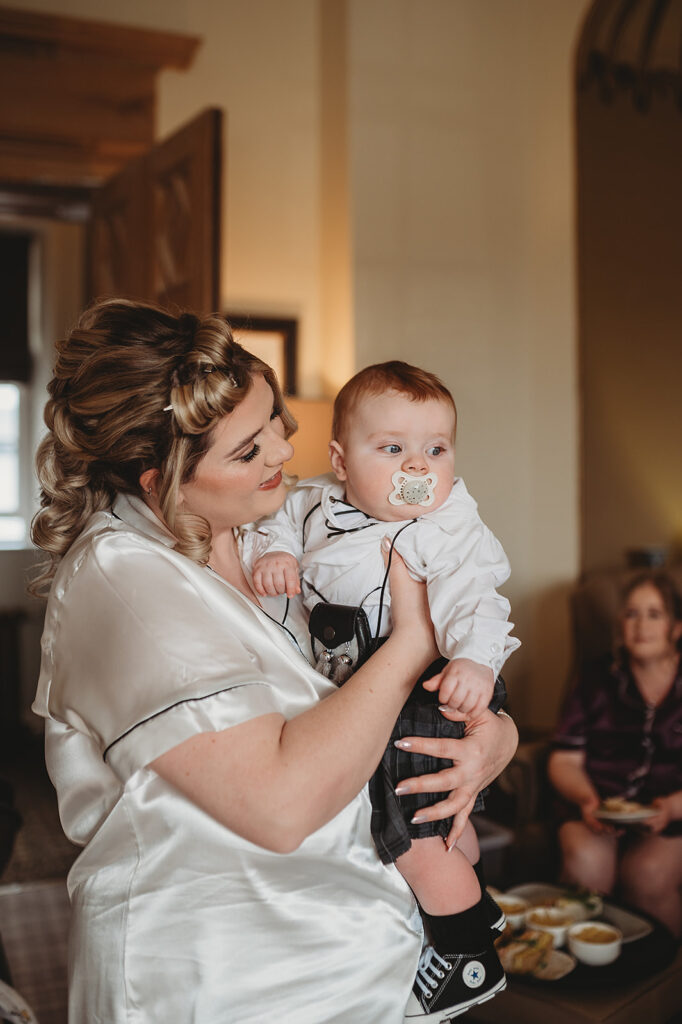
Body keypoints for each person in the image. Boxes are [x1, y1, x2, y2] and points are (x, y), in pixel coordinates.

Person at [30, 300, 519, 1024]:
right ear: (153, 476)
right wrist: (415, 639)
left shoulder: (275, 528)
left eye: (275, 424)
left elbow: (353, 697)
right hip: (223, 982)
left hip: (359, 958)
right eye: (247, 450)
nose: (285, 456)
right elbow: (283, 806)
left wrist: (493, 740)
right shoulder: (121, 582)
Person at [244, 361, 520, 1015]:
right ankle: (477, 903)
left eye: (436, 449)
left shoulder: (447, 524)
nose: (417, 467)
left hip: (435, 687)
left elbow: (478, 599)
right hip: (369, 692)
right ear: (340, 460)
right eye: (392, 449)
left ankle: (467, 956)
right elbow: (278, 520)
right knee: (446, 820)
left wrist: (476, 665)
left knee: (415, 832)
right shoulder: (311, 502)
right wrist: (274, 554)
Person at [548, 571, 682, 938]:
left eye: (654, 614)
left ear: (676, 627)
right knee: (588, 864)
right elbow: (565, 760)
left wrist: (669, 808)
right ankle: (583, 977)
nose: (640, 625)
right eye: (631, 614)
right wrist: (587, 799)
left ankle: (662, 979)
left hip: (672, 813)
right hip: (595, 808)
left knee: (648, 874)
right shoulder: (594, 679)